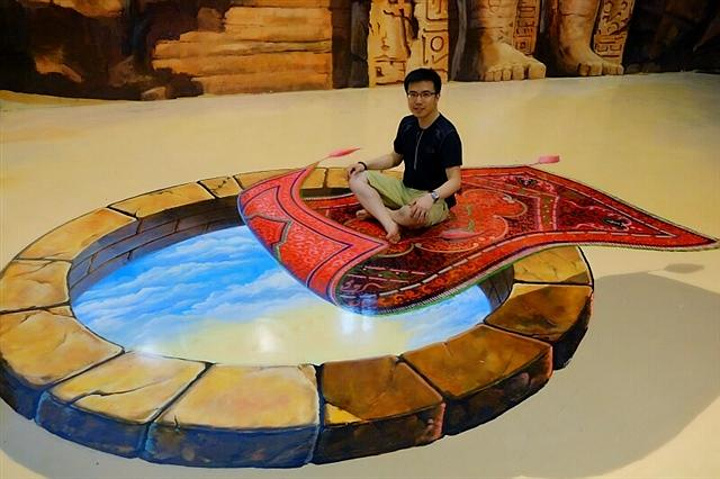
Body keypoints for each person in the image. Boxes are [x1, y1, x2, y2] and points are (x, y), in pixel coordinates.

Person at [346, 68, 462, 244]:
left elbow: (455, 181)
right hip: (404, 189)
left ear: (437, 96)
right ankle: (389, 223)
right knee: (356, 178)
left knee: (412, 216)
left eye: (425, 94)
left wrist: (430, 197)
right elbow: (395, 157)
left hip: (435, 200)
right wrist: (364, 164)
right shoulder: (407, 124)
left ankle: (380, 212)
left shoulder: (447, 134)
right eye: (412, 94)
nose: (418, 101)